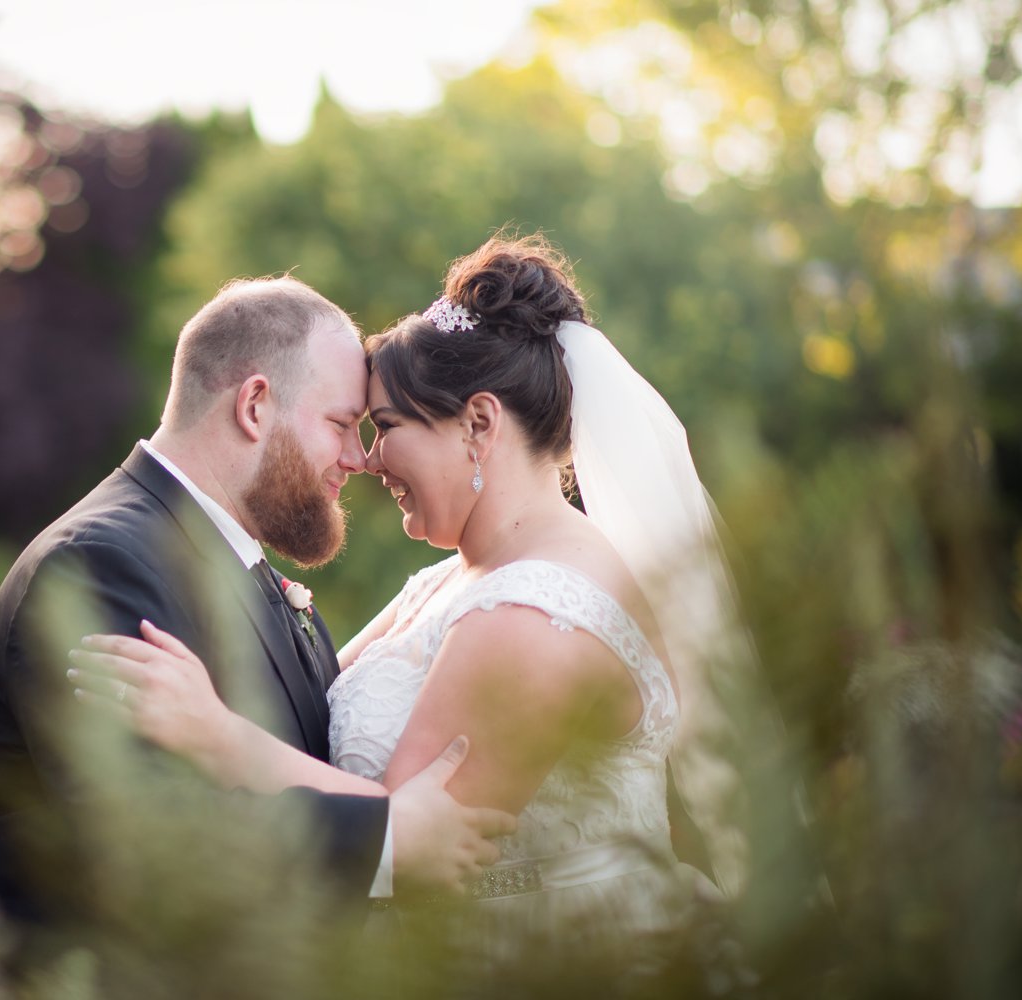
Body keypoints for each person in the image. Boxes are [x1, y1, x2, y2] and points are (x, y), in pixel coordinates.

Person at [72, 236, 739, 964]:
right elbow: (316, 714)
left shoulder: (539, 614)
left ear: (479, 424)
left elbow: (412, 846)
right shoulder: (455, 579)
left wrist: (214, 733)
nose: (367, 460)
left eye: (385, 426)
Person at [0, 276, 519, 994]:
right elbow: (145, 835)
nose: (359, 458)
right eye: (342, 423)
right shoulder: (102, 562)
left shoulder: (243, 571)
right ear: (255, 406)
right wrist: (390, 840)